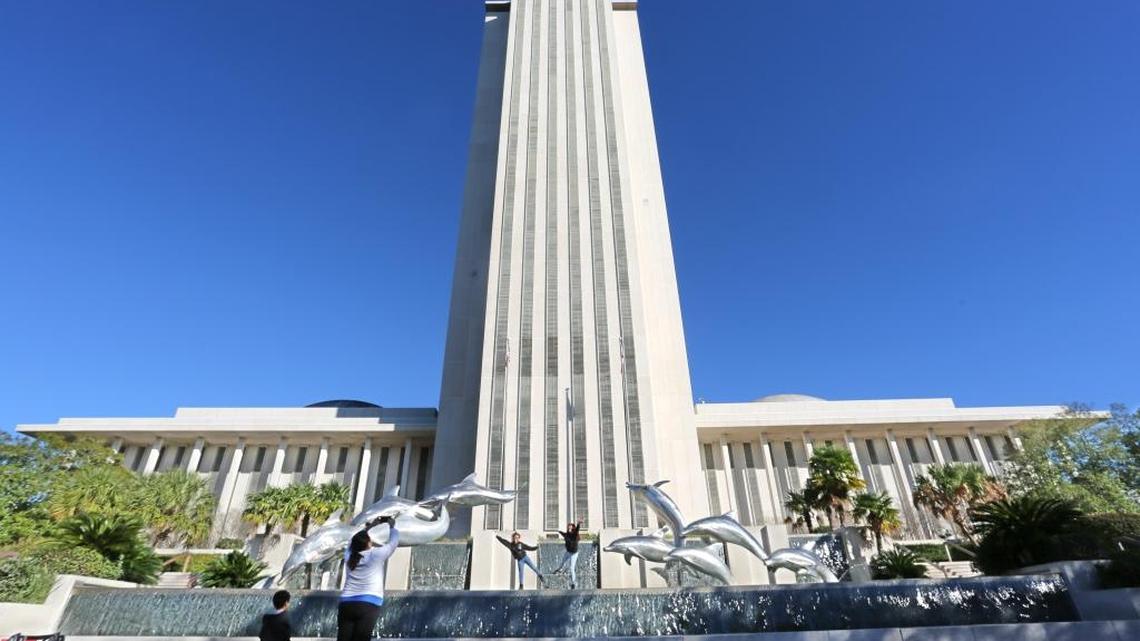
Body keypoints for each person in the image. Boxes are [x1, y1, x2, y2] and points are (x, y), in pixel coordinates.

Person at [338, 514, 400, 641]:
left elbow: (352, 540)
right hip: (369, 603)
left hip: (347, 602)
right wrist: (391, 526)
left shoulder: (349, 555)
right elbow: (394, 542)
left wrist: (370, 526)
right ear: (368, 543)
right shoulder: (376, 554)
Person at [552, 520, 582, 589]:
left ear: (573, 528)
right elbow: (562, 533)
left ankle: (573, 583)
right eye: (568, 526)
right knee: (562, 563)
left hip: (574, 553)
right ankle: (558, 570)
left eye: (570, 527)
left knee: (572, 568)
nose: (569, 527)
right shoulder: (566, 534)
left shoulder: (575, 534)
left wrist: (578, 524)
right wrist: (558, 531)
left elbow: (577, 529)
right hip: (568, 552)